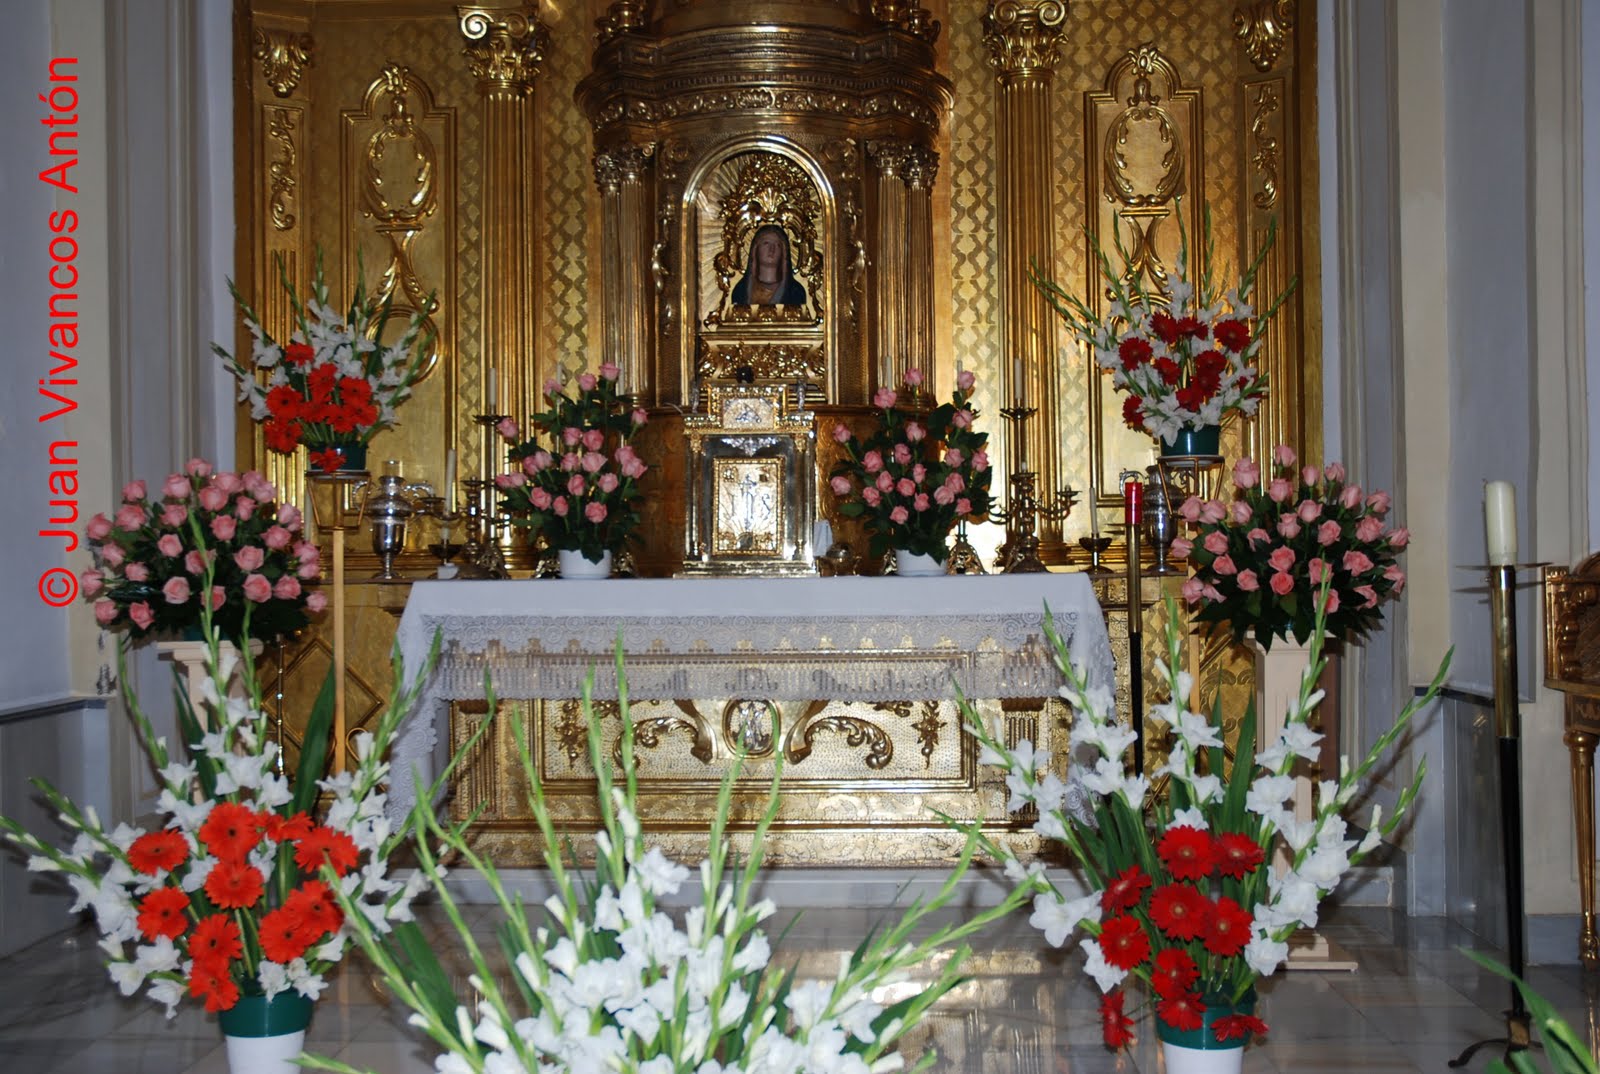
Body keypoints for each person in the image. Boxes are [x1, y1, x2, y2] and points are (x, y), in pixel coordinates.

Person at [731, 224, 808, 307]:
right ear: (755, 249)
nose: (772, 249)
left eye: (778, 245)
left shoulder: (795, 292)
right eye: (766, 243)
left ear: (784, 252)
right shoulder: (741, 291)